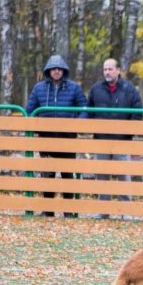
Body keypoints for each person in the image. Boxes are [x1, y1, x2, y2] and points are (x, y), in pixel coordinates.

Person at [25, 55, 87, 217]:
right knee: (47, 174)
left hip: (67, 138)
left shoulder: (74, 88)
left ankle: (68, 211)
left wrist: (76, 124)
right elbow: (29, 110)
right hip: (46, 138)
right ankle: (48, 210)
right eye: (54, 69)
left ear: (64, 71)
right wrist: (37, 127)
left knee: (67, 174)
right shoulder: (39, 88)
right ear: (49, 71)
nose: (57, 71)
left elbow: (84, 109)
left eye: (59, 69)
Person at [87, 58, 143, 219]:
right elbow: (89, 111)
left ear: (118, 70)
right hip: (101, 139)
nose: (107, 72)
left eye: (110, 69)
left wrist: (128, 132)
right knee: (102, 174)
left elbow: (137, 113)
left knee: (123, 174)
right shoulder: (96, 89)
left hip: (122, 140)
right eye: (105, 69)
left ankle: (125, 211)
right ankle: (103, 210)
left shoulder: (129, 89)